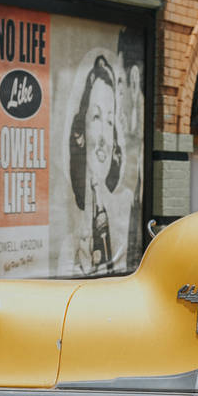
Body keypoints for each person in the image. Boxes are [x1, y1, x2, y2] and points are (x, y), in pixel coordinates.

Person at [68, 54, 132, 275]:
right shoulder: (68, 223)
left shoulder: (125, 208)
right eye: (96, 118)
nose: (104, 137)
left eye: (110, 121)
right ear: (81, 132)